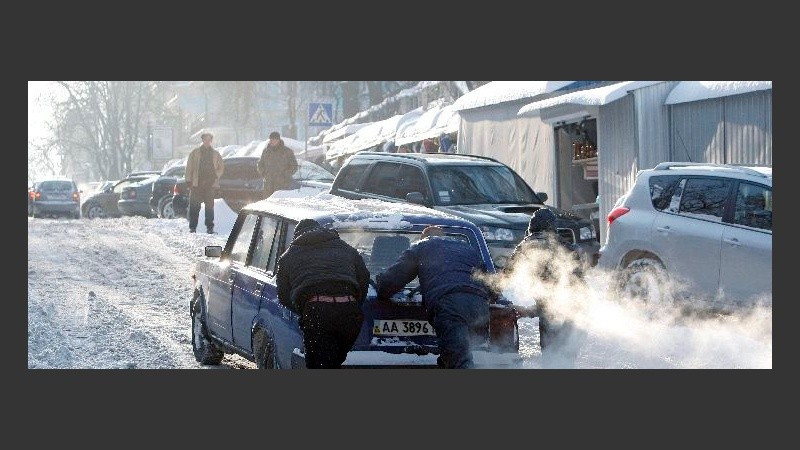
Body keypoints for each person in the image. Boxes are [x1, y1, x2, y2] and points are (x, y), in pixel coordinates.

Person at [375, 226, 492, 369]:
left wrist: (381, 290)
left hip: (451, 306)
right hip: (479, 305)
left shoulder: (422, 247)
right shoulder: (467, 249)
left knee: (461, 363)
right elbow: (491, 284)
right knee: (453, 356)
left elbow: (392, 281)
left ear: (423, 238)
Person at [275, 219, 370, 368]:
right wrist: (354, 303)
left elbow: (283, 296)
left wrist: (304, 309)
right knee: (333, 362)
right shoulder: (346, 248)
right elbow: (364, 277)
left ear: (297, 236)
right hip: (350, 313)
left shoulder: (288, 256)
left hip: (317, 312)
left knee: (319, 365)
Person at [505, 207, 586, 368]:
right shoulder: (569, 248)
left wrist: (491, 294)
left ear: (532, 227)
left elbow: (505, 276)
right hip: (578, 315)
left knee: (551, 360)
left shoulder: (527, 245)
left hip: (556, 316)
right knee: (565, 361)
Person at [185, 132, 224, 233]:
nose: (207, 141)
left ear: (211, 141)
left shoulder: (215, 154)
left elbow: (221, 167)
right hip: (196, 184)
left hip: (210, 185)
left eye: (209, 139)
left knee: (209, 208)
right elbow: (189, 167)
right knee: (194, 207)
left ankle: (210, 228)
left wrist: (216, 175)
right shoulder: (195, 152)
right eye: (205, 139)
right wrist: (188, 180)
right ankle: (192, 227)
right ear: (202, 140)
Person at [257, 131, 299, 199]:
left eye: (274, 139)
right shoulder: (266, 151)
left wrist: (285, 174)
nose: (272, 141)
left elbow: (294, 166)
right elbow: (260, 164)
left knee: (280, 205)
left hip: (282, 185)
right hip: (268, 185)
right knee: (267, 206)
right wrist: (264, 173)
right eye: (271, 139)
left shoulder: (287, 152)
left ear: (278, 140)